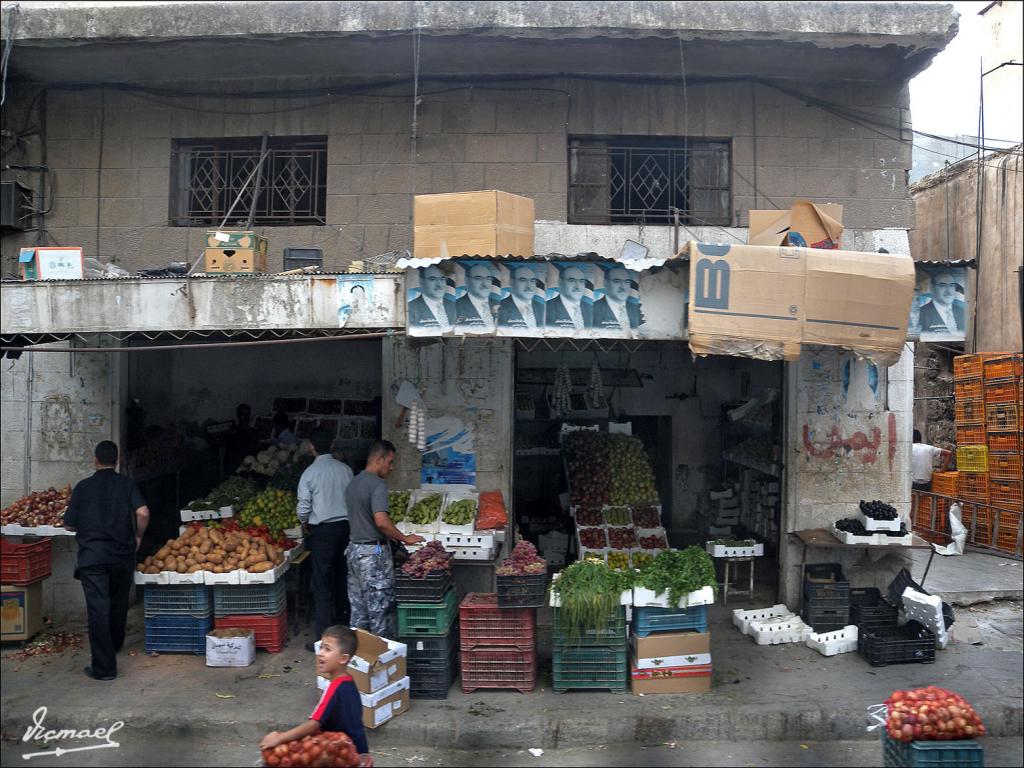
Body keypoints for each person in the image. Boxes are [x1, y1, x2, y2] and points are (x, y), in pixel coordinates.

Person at [63, 440, 150, 681]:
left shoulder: (82, 487)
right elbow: (143, 512)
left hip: (92, 558)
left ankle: (104, 669)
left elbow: (69, 523)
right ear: (117, 460)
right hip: (122, 555)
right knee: (119, 602)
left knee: (98, 609)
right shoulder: (126, 485)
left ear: (95, 460)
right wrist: (138, 536)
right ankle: (115, 643)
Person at [259, 625, 372, 767]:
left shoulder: (334, 688)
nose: (321, 654)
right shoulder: (349, 683)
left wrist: (280, 738)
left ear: (343, 658)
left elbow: (314, 723)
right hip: (360, 752)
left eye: (327, 649)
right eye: (321, 648)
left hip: (345, 756)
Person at [345, 440, 424, 639]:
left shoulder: (353, 483)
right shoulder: (377, 485)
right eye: (390, 462)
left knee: (359, 611)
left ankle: (358, 661)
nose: (391, 467)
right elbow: (381, 522)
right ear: (379, 460)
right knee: (381, 612)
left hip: (354, 550)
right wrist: (404, 538)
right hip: (373, 553)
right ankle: (383, 663)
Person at [298, 428, 355, 651]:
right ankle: (345, 635)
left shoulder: (309, 474)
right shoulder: (346, 470)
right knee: (342, 580)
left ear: (311, 447)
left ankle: (323, 642)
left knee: (322, 586)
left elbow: (303, 507)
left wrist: (303, 521)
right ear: (332, 446)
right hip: (345, 529)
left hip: (322, 533)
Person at [407, 266, 455, 330]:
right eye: (432, 279)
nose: (439, 285)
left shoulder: (453, 306)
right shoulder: (410, 308)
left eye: (442, 279)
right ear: (421, 281)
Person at [455, 264, 497, 330]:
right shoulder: (455, 307)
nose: (485, 284)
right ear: (466, 280)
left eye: (488, 278)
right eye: (478, 278)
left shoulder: (499, 305)